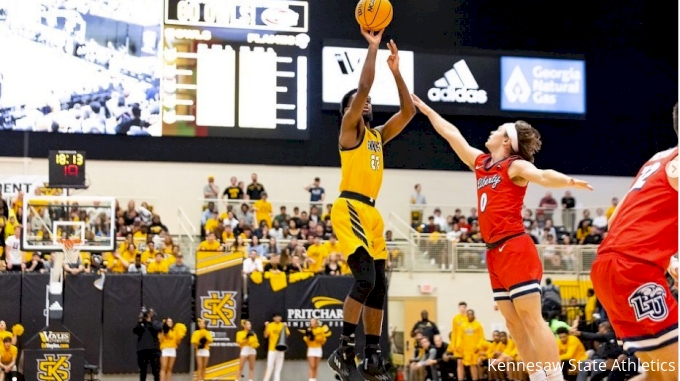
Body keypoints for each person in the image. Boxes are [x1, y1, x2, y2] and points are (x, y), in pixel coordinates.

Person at [412, 94, 592, 381]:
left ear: (507, 141)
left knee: (532, 320)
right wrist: (425, 109)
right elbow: (451, 134)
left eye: (498, 130)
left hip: (515, 246)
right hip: (493, 251)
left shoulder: (515, 166)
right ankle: (536, 377)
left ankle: (555, 377)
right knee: (514, 324)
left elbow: (543, 175)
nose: (491, 132)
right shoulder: (481, 162)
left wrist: (568, 181)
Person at [328, 27, 416, 381]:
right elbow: (363, 87)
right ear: (347, 110)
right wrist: (374, 48)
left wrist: (396, 73)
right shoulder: (350, 131)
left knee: (379, 285)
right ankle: (343, 348)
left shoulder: (377, 135)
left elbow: (408, 111)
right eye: (356, 101)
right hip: (348, 207)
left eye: (365, 102)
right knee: (364, 279)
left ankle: (372, 356)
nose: (364, 102)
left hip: (372, 212)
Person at [590, 103, 679, 381]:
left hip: (609, 267)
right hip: (633, 269)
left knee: (657, 375)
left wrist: (670, 260)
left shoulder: (658, 158)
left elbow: (615, 218)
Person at [133, 307, 162, 381]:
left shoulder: (156, 323)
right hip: (142, 350)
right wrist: (140, 321)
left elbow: (158, 328)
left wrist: (150, 321)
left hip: (154, 350)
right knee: (142, 370)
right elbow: (135, 331)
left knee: (156, 370)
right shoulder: (141, 324)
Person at [263, 313, 290, 381]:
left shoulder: (282, 325)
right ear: (273, 318)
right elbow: (266, 335)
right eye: (276, 317)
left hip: (280, 349)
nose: (278, 318)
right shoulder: (270, 325)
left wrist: (285, 327)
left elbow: (287, 335)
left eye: (279, 317)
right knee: (269, 367)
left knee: (278, 368)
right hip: (272, 349)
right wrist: (266, 326)